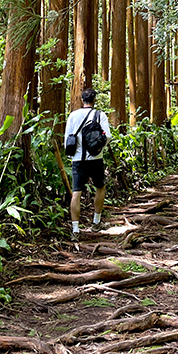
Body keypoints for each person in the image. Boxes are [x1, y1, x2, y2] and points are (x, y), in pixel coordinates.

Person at [64, 87, 111, 241]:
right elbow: (108, 137)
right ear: (94, 100)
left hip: (78, 160)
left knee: (76, 192)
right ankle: (96, 222)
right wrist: (98, 149)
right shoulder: (100, 115)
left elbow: (67, 140)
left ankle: (76, 230)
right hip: (96, 158)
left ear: (82, 100)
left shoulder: (73, 115)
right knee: (100, 187)